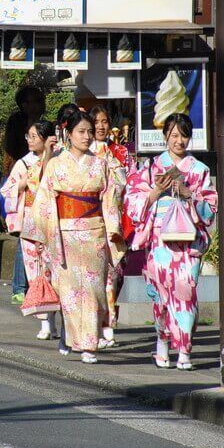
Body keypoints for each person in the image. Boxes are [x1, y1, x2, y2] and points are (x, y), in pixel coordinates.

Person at [25, 111, 126, 364]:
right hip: (65, 234)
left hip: (95, 233)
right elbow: (45, 201)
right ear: (68, 134)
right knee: (69, 291)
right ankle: (77, 340)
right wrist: (43, 236)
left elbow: (110, 197)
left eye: (90, 132)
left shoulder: (101, 163)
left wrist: (112, 228)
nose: (87, 136)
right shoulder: (57, 164)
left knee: (94, 291)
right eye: (81, 131)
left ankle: (89, 344)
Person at [126, 113, 217, 371]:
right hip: (159, 239)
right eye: (174, 135)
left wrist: (189, 194)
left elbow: (210, 208)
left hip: (188, 241)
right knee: (162, 295)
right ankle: (162, 341)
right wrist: (155, 193)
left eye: (184, 135)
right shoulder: (150, 167)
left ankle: (184, 351)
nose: (179, 141)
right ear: (165, 135)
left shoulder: (199, 170)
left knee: (185, 292)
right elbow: (132, 200)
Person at [0, 120, 58, 338]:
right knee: (35, 272)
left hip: (53, 222)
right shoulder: (23, 163)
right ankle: (45, 322)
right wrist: (22, 185)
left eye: (34, 136)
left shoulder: (60, 159)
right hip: (31, 222)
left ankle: (56, 320)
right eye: (29, 136)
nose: (30, 141)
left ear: (46, 138)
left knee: (55, 272)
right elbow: (7, 190)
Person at [89, 104, 135, 348]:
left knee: (115, 275)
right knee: (93, 276)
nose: (100, 126)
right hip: (90, 221)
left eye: (105, 121)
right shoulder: (81, 153)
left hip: (116, 221)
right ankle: (96, 326)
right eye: (95, 122)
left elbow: (130, 185)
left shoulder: (121, 153)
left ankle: (109, 322)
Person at [2, 86, 47, 305]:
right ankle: (20, 286)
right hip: (22, 183)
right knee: (25, 240)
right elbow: (10, 147)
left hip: (42, 196)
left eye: (37, 101)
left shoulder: (45, 125)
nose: (33, 106)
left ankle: (38, 284)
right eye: (29, 102)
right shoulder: (16, 122)